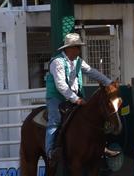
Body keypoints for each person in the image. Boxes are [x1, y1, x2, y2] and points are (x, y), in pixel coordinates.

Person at [44, 33, 115, 165]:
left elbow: (92, 72)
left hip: (74, 96)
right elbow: (61, 85)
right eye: (76, 47)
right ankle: (50, 152)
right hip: (56, 98)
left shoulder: (78, 62)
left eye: (78, 47)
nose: (78, 50)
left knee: (92, 116)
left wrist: (109, 83)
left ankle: (99, 146)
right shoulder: (57, 62)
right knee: (54, 120)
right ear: (69, 48)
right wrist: (75, 99)